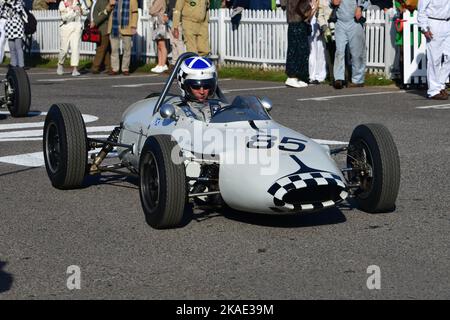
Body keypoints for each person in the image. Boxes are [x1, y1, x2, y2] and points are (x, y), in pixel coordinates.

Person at [331, 0, 369, 89]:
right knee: (339, 51)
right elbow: (329, 3)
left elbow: (366, 1)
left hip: (354, 22)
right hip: (340, 22)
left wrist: (360, 7)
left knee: (357, 53)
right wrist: (333, 2)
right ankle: (339, 79)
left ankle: (358, 80)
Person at [418, 0, 450, 100]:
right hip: (434, 23)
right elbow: (421, 10)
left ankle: (440, 85)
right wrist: (424, 27)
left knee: (449, 56)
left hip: (448, 22)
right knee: (434, 58)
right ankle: (433, 91)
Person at [281, 0, 317, 88]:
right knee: (296, 49)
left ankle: (299, 77)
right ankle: (292, 76)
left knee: (301, 49)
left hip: (297, 20)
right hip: (297, 20)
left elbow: (283, 4)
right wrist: (311, 9)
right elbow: (300, 6)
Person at [176, 56, 222, 122]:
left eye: (206, 86)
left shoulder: (220, 107)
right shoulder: (177, 111)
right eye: (196, 87)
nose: (202, 92)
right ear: (185, 86)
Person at [107, 0, 139, 75]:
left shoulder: (132, 0)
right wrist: (110, 4)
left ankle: (125, 69)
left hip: (126, 27)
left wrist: (134, 26)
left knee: (127, 49)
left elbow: (135, 13)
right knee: (114, 49)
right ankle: (115, 69)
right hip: (114, 27)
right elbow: (107, 10)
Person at [57, 0, 88, 76]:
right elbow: (64, 18)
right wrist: (73, 10)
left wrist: (80, 9)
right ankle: (60, 64)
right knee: (64, 49)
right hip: (66, 27)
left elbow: (86, 12)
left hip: (77, 26)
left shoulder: (80, 1)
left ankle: (75, 69)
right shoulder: (63, 3)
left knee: (75, 48)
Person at [89, 0, 114, 74]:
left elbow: (104, 14)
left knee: (101, 48)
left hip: (103, 28)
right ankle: (109, 67)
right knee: (105, 49)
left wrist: (95, 22)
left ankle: (95, 67)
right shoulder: (94, 1)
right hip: (98, 28)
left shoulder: (102, 1)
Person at [3, 0, 28, 68]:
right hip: (9, 27)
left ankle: (21, 64)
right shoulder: (5, 4)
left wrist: (10, 4)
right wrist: (3, 5)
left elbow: (19, 9)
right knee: (11, 47)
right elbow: (3, 14)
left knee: (18, 47)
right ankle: (13, 63)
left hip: (17, 27)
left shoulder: (19, 2)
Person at [149, 0, 169, 73]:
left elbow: (151, 11)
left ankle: (163, 64)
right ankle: (160, 64)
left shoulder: (160, 0)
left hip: (160, 24)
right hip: (156, 23)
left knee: (162, 44)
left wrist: (152, 9)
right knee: (158, 45)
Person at [166, 0, 185, 66]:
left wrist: (167, 16)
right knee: (173, 44)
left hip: (177, 22)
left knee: (178, 43)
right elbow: (169, 8)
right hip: (170, 22)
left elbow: (175, 9)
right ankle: (174, 63)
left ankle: (182, 62)